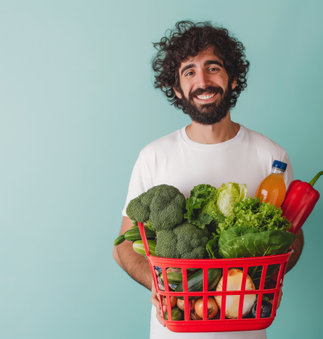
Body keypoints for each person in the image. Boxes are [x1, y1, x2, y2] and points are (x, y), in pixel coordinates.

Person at [113, 20, 304, 339]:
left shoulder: (271, 157)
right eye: (189, 72)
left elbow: (292, 238)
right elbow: (123, 248)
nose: (202, 81)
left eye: (213, 68)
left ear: (233, 79)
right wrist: (160, 284)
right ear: (177, 89)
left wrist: (271, 279)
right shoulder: (154, 156)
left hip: (245, 330)